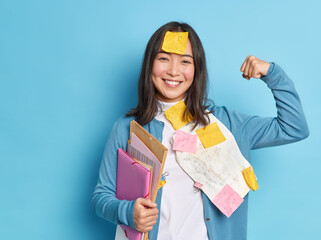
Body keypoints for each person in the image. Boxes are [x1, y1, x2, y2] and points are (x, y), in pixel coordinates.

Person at [92, 21, 309, 240]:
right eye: (164, 58)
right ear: (150, 64)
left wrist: (272, 74)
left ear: (197, 69)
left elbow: (294, 127)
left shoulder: (226, 124)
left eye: (185, 61)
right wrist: (128, 212)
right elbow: (101, 196)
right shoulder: (128, 127)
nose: (174, 71)